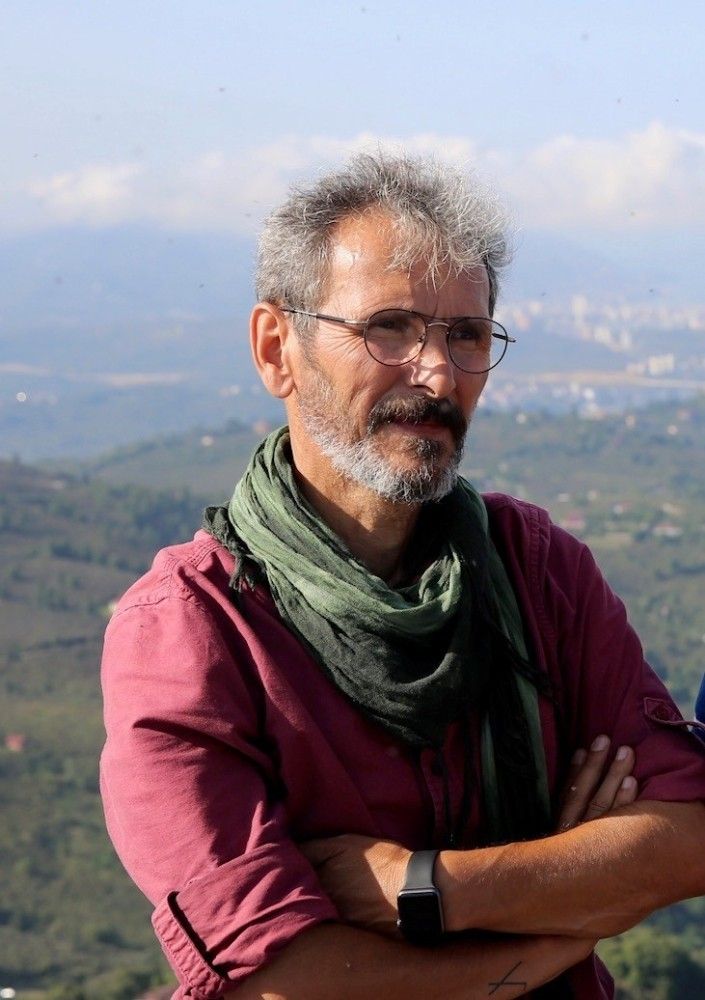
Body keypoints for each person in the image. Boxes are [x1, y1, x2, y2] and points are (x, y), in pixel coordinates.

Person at [100, 153, 705, 1000]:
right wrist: (559, 924)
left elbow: (685, 837)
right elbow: (276, 979)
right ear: (276, 349)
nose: (437, 374)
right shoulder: (193, 633)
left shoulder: (537, 571)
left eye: (466, 335)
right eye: (390, 327)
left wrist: (425, 889)